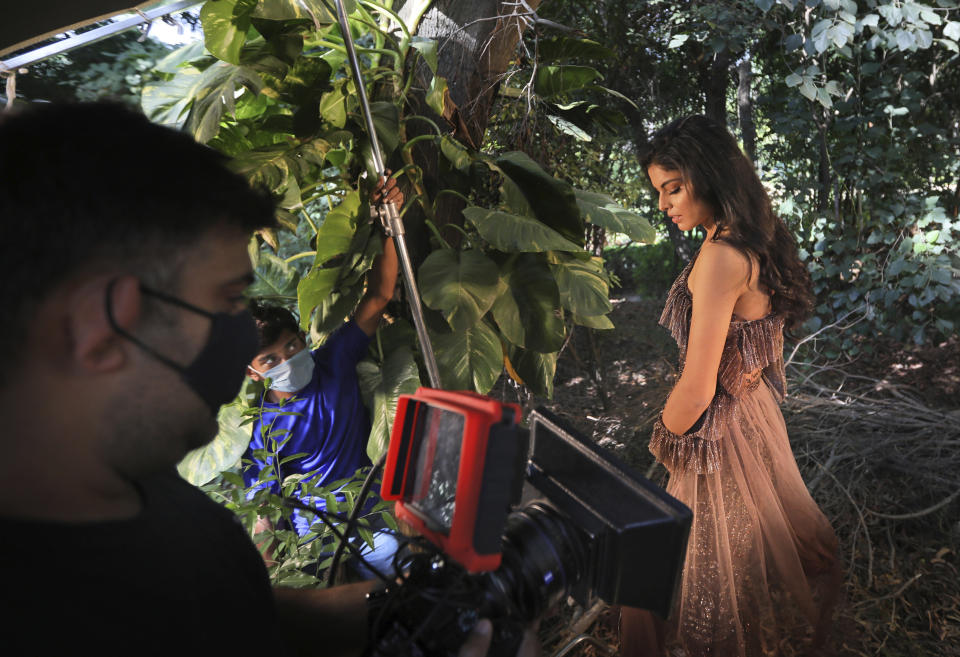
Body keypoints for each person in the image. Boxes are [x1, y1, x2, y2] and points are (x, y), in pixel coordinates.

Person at [0, 101, 524, 657]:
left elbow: (244, 615)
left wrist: (416, 610)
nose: (244, 349)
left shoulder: (146, 499)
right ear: (101, 324)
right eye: (226, 300)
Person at [619, 115, 842, 657]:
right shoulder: (747, 238)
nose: (665, 204)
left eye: (674, 188)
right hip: (751, 410)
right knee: (736, 557)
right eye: (659, 192)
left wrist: (664, 435)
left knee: (698, 569)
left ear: (709, 175)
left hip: (721, 428)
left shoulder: (720, 257)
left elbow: (698, 386)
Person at [243, 294, 401, 577]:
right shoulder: (261, 430)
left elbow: (378, 298)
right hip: (318, 538)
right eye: (270, 360)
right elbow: (262, 513)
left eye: (292, 345)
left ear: (303, 338)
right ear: (252, 372)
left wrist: (385, 246)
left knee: (408, 571)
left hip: (372, 517)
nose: (287, 361)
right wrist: (275, 589)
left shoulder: (334, 362)